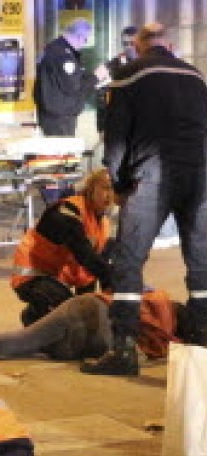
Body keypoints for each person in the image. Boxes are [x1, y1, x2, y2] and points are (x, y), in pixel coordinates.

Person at [85, 23, 207, 376]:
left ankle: (123, 349)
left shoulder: (128, 75)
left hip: (151, 175)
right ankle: (200, 344)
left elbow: (117, 139)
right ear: (169, 45)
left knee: (129, 260)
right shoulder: (197, 76)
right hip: (199, 174)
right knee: (200, 262)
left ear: (139, 46)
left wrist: (120, 185)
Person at [0, 290, 185, 364]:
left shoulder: (158, 301)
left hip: (88, 306)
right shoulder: (173, 335)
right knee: (28, 346)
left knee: (21, 341)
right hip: (83, 349)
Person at [11, 168, 114, 325]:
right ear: (91, 188)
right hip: (30, 276)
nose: (110, 195)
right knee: (68, 314)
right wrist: (117, 283)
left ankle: (37, 315)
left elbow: (88, 273)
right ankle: (32, 317)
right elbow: (86, 256)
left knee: (82, 315)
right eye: (106, 188)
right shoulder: (67, 212)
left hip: (54, 276)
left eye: (115, 189)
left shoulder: (102, 223)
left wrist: (108, 294)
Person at [34, 19, 105, 136]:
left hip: (52, 114)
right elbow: (73, 86)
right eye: (85, 39)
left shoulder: (52, 48)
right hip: (59, 118)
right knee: (63, 152)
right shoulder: (63, 55)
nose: (84, 43)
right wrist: (96, 76)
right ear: (79, 36)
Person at [95, 26, 137, 133]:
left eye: (132, 43)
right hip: (119, 125)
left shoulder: (149, 65)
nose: (128, 47)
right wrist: (101, 127)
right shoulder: (112, 66)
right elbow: (101, 99)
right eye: (125, 44)